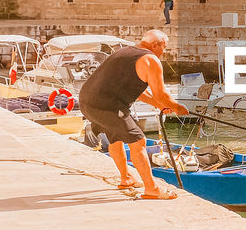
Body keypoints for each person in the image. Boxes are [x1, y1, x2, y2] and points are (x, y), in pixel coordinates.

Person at [78, 29, 188, 199]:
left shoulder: (126, 52)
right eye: (164, 47)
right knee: (139, 141)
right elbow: (162, 94)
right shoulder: (151, 60)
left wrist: (160, 106)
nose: (164, 52)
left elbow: (139, 92)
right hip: (107, 106)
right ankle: (152, 189)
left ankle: (126, 178)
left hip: (88, 101)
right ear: (155, 45)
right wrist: (178, 107)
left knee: (116, 138)